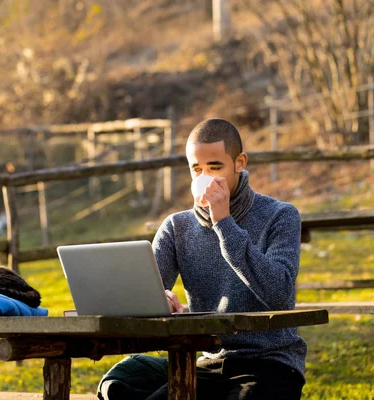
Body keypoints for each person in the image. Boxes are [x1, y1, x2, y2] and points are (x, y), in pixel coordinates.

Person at [97, 118, 306, 400]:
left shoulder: (281, 215)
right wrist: (161, 298)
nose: (205, 178)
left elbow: (279, 294)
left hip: (270, 363)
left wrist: (225, 223)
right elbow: (145, 291)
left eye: (215, 167)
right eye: (197, 169)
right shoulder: (177, 227)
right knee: (121, 378)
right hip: (207, 364)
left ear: (239, 163)